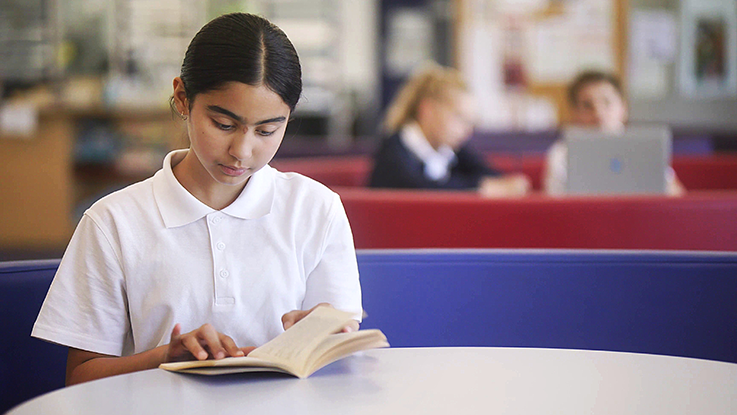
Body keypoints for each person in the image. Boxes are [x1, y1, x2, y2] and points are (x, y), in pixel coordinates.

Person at [32, 13, 362, 386]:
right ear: (182, 98)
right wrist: (164, 357)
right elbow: (81, 378)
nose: (242, 150)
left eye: (268, 130)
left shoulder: (316, 209)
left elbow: (343, 360)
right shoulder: (113, 222)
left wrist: (328, 337)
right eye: (223, 125)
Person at [369, 63, 530, 197]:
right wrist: (481, 189)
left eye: (470, 122)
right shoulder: (393, 152)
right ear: (428, 110)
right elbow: (421, 190)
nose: (467, 130)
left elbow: (489, 174)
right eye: (459, 118)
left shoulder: (449, 149)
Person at [543, 70, 685, 195]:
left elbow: (675, 195)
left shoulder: (643, 149)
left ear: (623, 108)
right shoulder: (561, 155)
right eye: (587, 105)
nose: (598, 113)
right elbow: (556, 205)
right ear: (574, 113)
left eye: (607, 102)